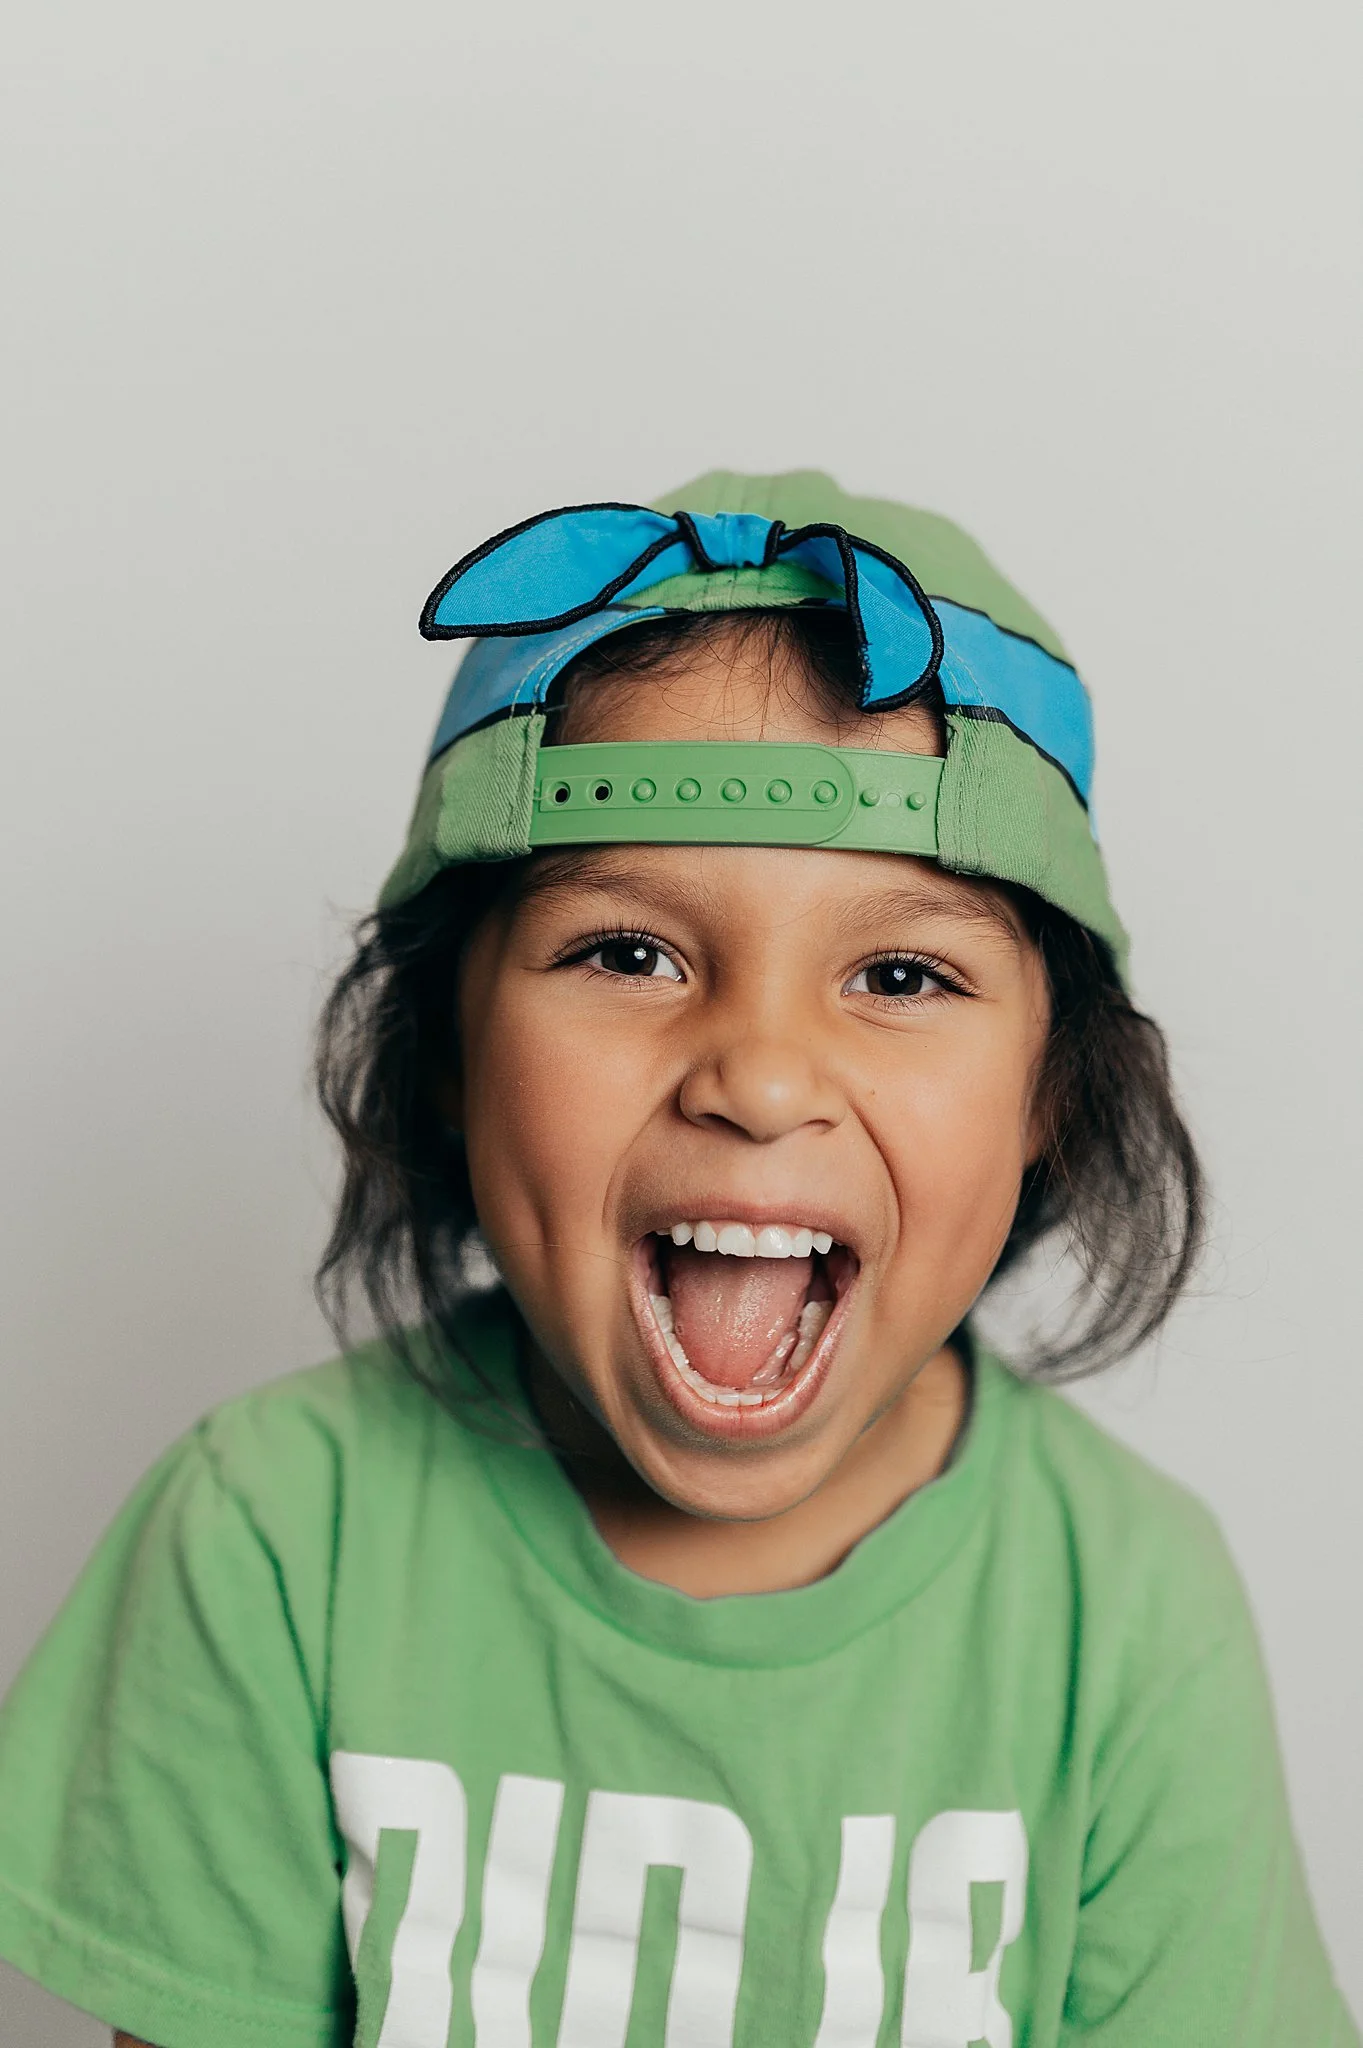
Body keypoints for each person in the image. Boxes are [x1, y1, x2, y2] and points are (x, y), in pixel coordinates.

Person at [0, 472, 1352, 2048]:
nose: (759, 1079)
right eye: (627, 953)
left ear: (1053, 1092)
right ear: (449, 1051)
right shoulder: (271, 1537)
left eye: (900, 974)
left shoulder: (1122, 1608)